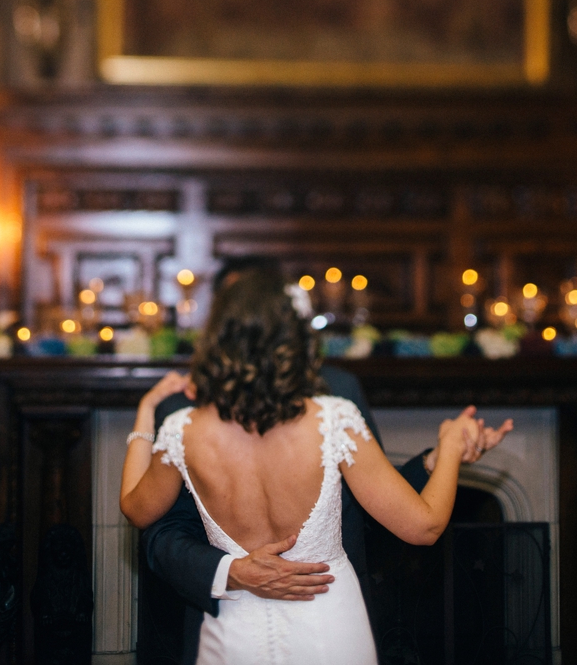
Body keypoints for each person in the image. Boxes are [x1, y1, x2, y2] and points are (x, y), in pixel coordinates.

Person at [121, 268, 511, 664]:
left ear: (217, 337)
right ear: (295, 337)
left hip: (234, 629)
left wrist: (145, 413)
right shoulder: (334, 419)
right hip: (328, 621)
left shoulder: (181, 430)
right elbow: (424, 527)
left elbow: (135, 509)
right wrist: (450, 446)